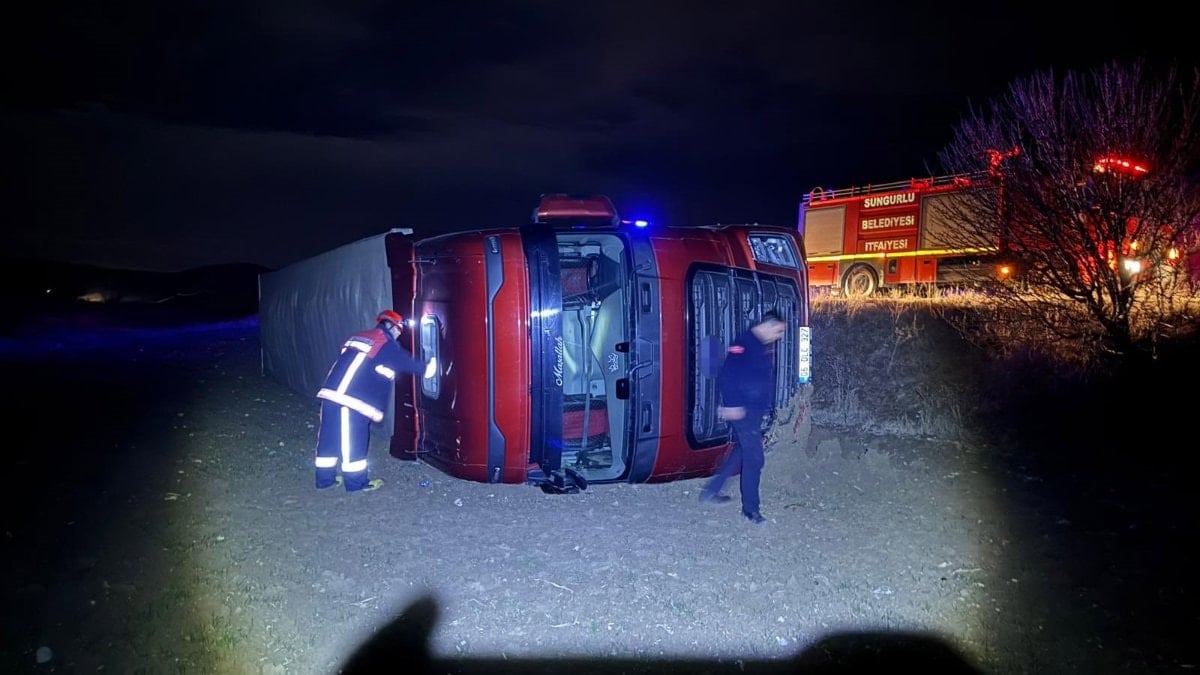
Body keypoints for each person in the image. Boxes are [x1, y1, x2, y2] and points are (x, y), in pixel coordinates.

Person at [314, 310, 422, 492]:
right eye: (398, 331)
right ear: (392, 327)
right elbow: (407, 362)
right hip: (351, 401)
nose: (397, 336)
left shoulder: (359, 336)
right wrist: (430, 368)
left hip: (330, 395)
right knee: (354, 442)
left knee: (329, 439)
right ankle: (356, 484)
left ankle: (325, 480)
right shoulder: (385, 342)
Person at [698, 311, 787, 524]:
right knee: (755, 458)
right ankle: (751, 509)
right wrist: (731, 404)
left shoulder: (760, 344)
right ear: (768, 325)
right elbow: (728, 374)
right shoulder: (744, 343)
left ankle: (712, 490)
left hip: (752, 412)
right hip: (742, 411)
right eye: (778, 331)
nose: (779, 336)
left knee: (741, 451)